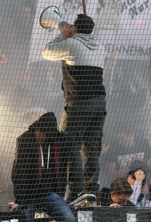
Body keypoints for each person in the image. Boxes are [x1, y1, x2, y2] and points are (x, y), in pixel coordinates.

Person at [42, 13, 107, 204]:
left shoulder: (72, 45)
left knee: (71, 146)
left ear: (76, 28)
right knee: (92, 149)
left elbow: (47, 51)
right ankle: (91, 190)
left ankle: (76, 191)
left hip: (79, 103)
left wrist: (63, 34)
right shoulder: (100, 47)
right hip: (99, 103)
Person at [9, 112, 76, 222]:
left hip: (49, 195)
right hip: (28, 196)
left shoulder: (59, 142)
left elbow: (72, 155)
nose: (40, 136)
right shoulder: (25, 140)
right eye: (38, 132)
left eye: (43, 134)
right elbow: (20, 172)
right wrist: (19, 200)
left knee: (68, 219)